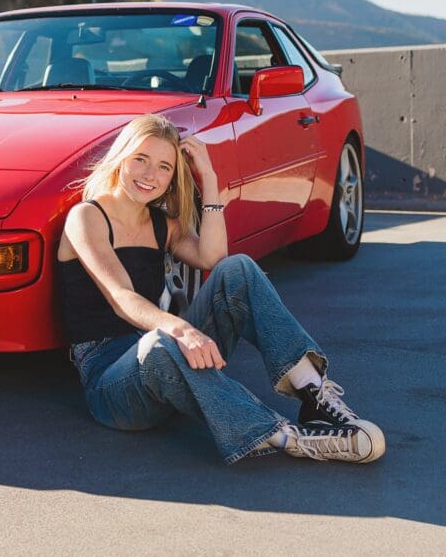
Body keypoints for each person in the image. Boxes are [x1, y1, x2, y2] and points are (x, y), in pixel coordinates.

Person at [57, 114, 385, 464]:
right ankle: (286, 437)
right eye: (141, 159)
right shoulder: (86, 216)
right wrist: (180, 328)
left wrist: (209, 178)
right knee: (159, 344)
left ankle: (315, 394)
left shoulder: (160, 225)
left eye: (165, 167)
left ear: (172, 179)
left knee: (237, 269)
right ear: (120, 157)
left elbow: (214, 256)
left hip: (170, 364)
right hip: (112, 385)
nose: (150, 175)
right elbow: (121, 298)